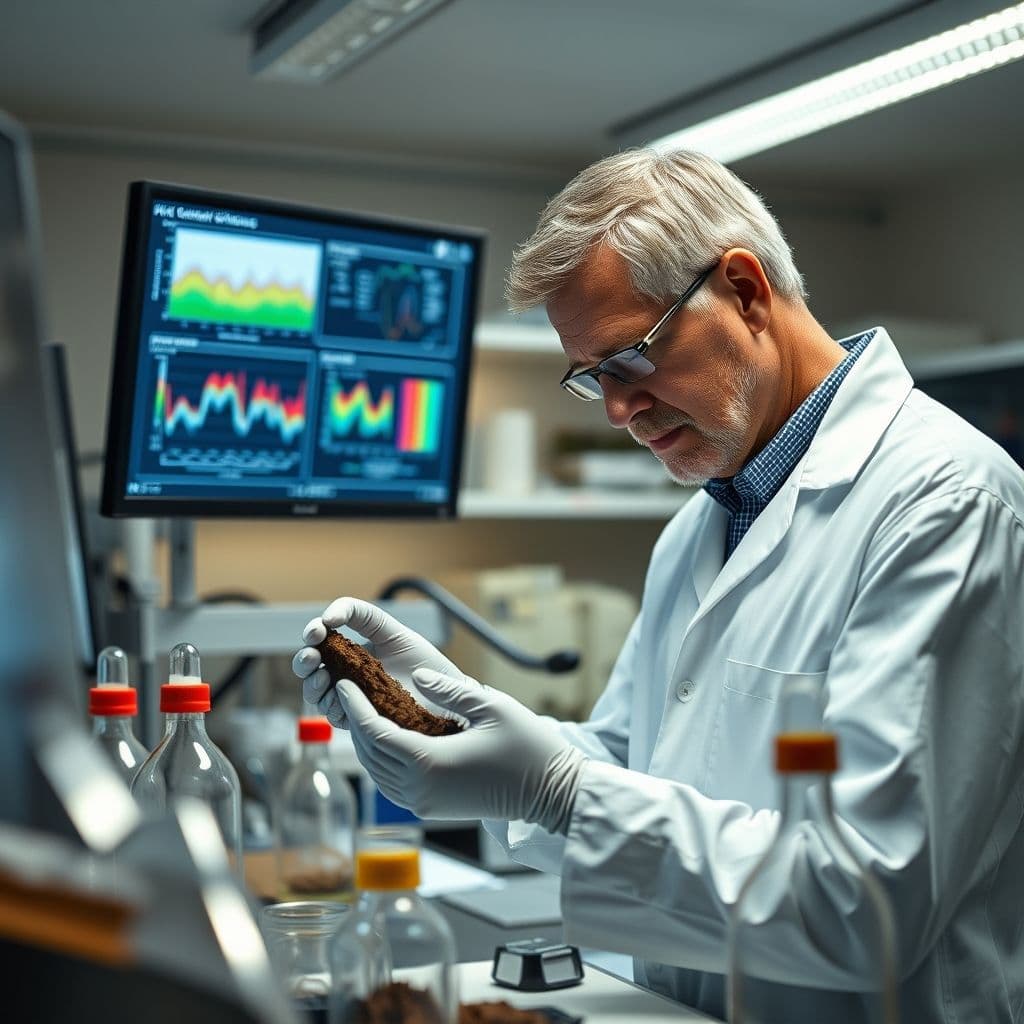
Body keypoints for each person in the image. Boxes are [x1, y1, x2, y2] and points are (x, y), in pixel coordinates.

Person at [293, 149, 1024, 1023]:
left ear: (746, 291)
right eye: (591, 376)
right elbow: (632, 764)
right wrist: (458, 736)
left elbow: (867, 899)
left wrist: (556, 790)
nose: (615, 408)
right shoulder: (702, 524)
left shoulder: (945, 503)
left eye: (629, 358)